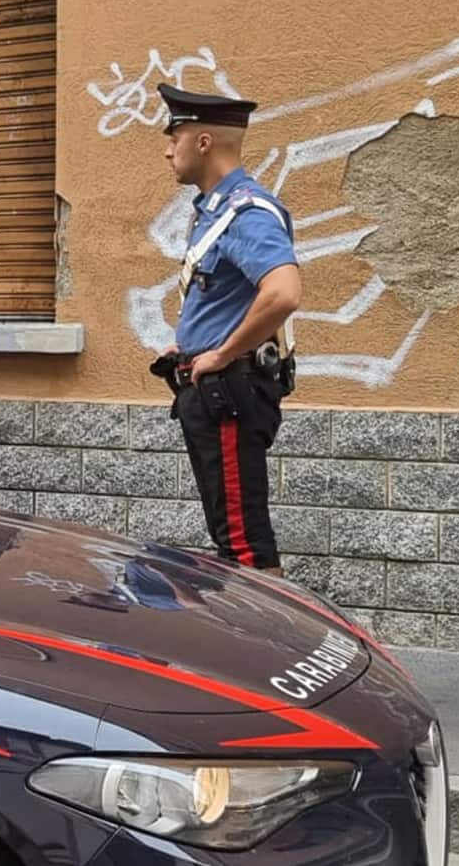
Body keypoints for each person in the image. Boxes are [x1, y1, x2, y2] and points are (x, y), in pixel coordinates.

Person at [154, 84, 304, 577]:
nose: (168, 149)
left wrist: (220, 353)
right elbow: (226, 298)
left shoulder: (245, 212)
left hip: (230, 392)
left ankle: (267, 628)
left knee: (244, 546)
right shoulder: (215, 211)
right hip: (216, 392)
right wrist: (191, 343)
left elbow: (283, 293)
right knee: (233, 538)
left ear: (203, 142)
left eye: (175, 136)